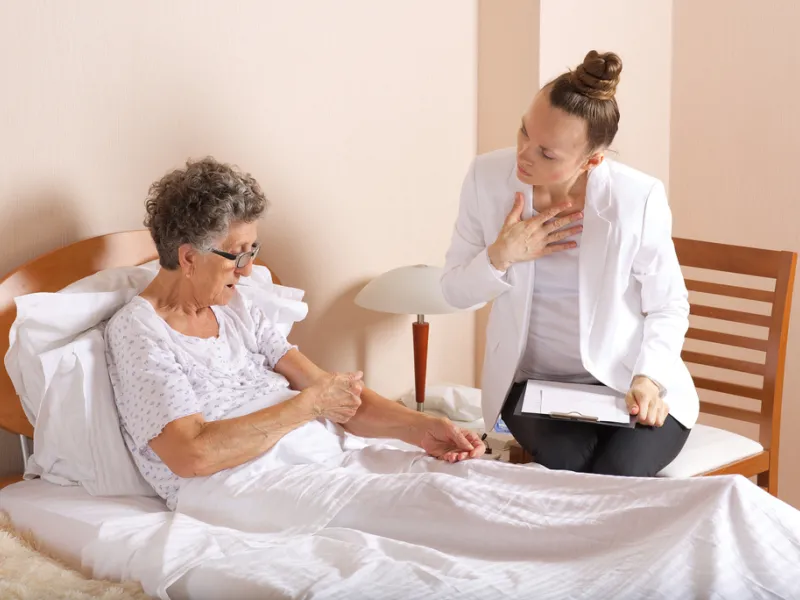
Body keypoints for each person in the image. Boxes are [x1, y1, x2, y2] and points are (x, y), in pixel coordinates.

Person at [104, 157, 485, 510]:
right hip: (250, 485)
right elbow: (192, 454)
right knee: (447, 511)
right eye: (237, 255)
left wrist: (423, 428)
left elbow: (334, 395)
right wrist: (307, 406)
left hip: (326, 458)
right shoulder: (139, 332)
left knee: (474, 492)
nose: (248, 270)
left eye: (253, 251)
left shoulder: (239, 309)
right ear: (188, 258)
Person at [441, 50, 698, 477]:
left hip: (628, 380)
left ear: (592, 161)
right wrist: (500, 256)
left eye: (547, 153)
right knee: (573, 472)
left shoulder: (637, 198)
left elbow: (668, 305)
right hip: (534, 387)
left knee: (617, 473)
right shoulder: (486, 178)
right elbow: (453, 293)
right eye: (523, 132)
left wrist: (648, 378)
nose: (524, 154)